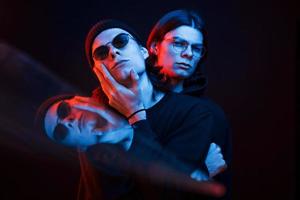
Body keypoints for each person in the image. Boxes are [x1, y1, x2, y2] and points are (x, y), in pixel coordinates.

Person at [36, 19, 226, 199]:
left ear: (144, 51)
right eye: (101, 53)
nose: (113, 52)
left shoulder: (194, 112)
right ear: (97, 71)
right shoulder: (91, 126)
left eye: (121, 41)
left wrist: (135, 116)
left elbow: (173, 194)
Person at [146, 9, 232, 199]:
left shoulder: (211, 115)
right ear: (154, 46)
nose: (188, 54)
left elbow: (221, 185)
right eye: (178, 44)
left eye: (196, 48)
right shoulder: (135, 101)